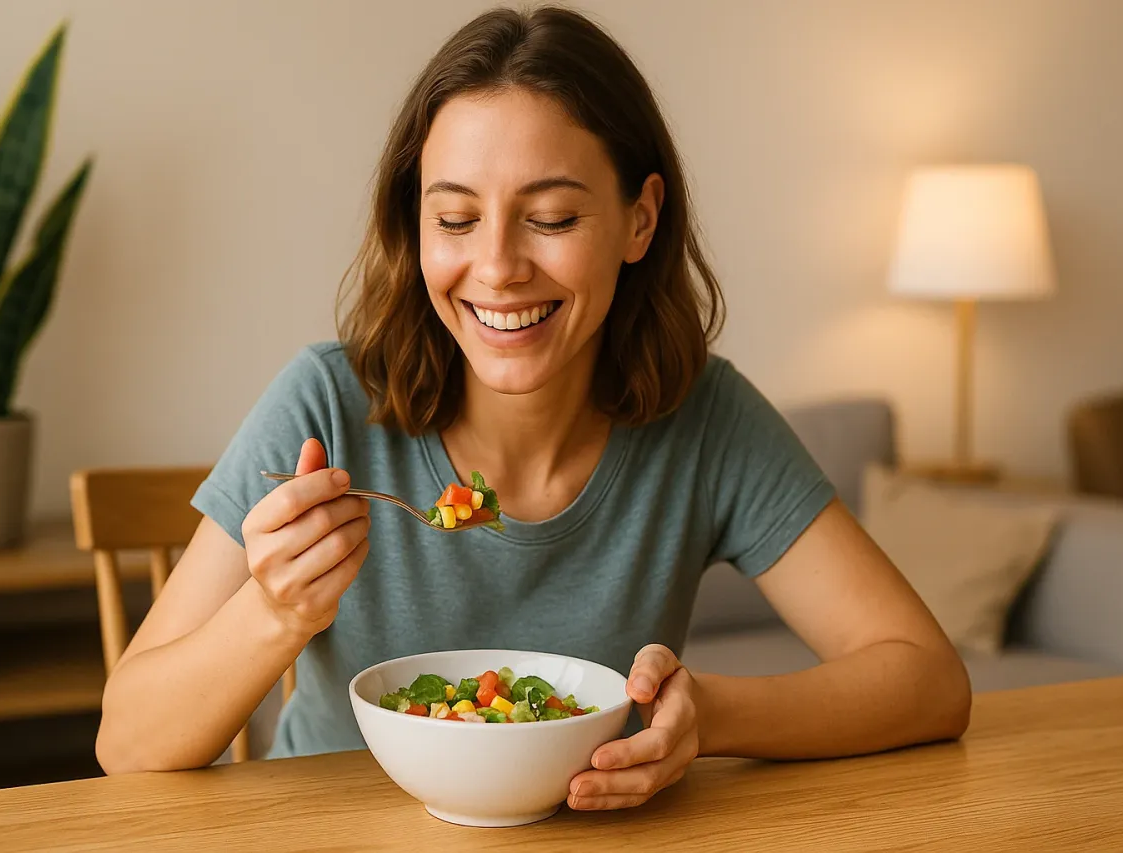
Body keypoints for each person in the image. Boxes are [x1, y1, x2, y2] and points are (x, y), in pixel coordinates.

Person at [96, 5, 970, 811]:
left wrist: (707, 714)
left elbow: (928, 679)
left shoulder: (705, 418)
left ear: (640, 219)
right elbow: (127, 740)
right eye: (457, 219)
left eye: (550, 218)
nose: (499, 266)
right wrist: (274, 610)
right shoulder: (328, 403)